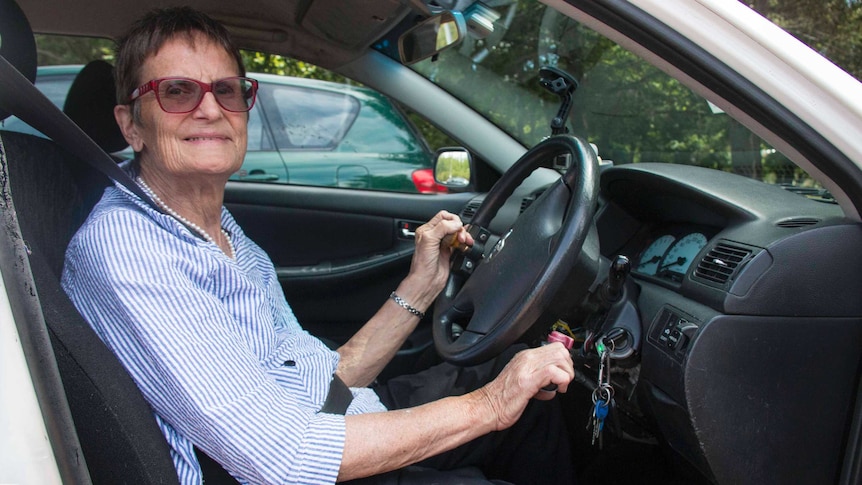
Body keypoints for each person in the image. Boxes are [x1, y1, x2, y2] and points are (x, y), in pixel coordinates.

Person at [61, 7, 576, 484]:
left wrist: (422, 287)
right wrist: (489, 405)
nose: (210, 109)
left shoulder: (217, 230)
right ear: (131, 125)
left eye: (227, 89)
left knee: (530, 400)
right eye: (177, 91)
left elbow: (324, 382)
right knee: (507, 402)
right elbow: (285, 457)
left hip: (330, 425)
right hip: (300, 465)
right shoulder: (128, 250)